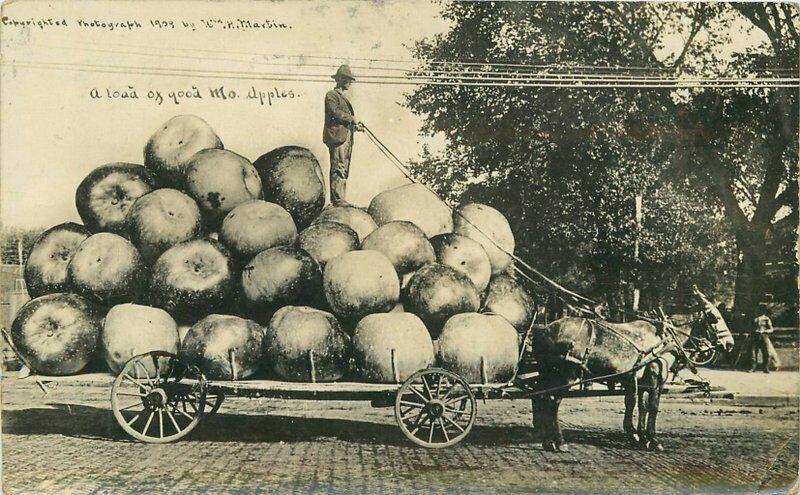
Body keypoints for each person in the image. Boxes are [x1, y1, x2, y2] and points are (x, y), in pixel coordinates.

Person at [322, 64, 362, 206]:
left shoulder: (341, 97)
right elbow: (334, 112)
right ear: (340, 80)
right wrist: (351, 119)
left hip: (345, 137)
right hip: (337, 137)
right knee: (338, 166)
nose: (350, 83)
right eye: (347, 79)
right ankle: (338, 199)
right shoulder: (331, 96)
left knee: (344, 166)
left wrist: (354, 125)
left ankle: (341, 197)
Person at [749, 306, 774, 373]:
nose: (759, 311)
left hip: (763, 336)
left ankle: (765, 368)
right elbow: (751, 328)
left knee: (766, 352)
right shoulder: (754, 318)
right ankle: (753, 368)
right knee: (753, 352)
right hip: (755, 336)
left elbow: (771, 329)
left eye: (761, 310)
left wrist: (765, 331)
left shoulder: (766, 319)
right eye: (759, 310)